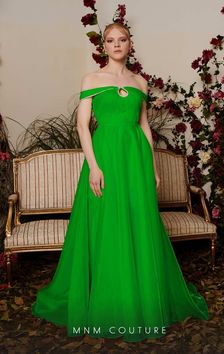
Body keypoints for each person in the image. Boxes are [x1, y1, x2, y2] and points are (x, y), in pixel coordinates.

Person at [32, 22, 209, 343]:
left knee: (136, 221)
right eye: (110, 40)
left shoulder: (140, 81)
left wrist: (153, 167)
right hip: (106, 158)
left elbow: (143, 126)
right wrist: (94, 166)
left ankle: (140, 292)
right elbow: (83, 126)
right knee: (108, 221)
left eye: (122, 39)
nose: (116, 44)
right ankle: (110, 295)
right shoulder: (92, 79)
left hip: (135, 159)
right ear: (104, 46)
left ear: (130, 44)